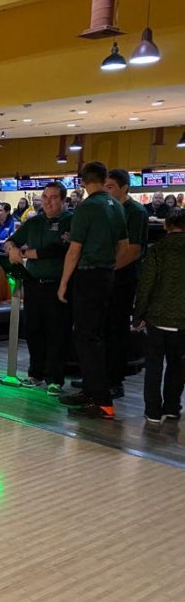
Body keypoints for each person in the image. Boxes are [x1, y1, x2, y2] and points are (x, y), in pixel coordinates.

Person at [57, 161, 128, 420]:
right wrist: (108, 266)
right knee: (94, 335)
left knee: (87, 339)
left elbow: (74, 250)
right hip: (107, 276)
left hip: (88, 277)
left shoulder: (86, 208)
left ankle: (102, 402)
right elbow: (124, 245)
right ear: (103, 178)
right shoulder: (116, 207)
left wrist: (64, 283)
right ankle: (89, 391)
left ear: (83, 181)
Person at [5, 181, 73, 395]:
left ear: (63, 200)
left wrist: (24, 254)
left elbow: (58, 250)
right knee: (34, 330)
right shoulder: (34, 222)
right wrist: (11, 249)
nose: (48, 201)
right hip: (33, 283)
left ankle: (55, 378)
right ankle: (36, 373)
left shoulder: (70, 221)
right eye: (45, 197)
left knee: (57, 332)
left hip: (58, 285)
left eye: (53, 197)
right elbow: (10, 241)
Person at [134, 208, 185, 428]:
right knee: (178, 366)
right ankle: (172, 408)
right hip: (183, 323)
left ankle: (153, 411)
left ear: (166, 226)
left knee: (154, 366)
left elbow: (146, 286)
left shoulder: (158, 250)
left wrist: (138, 316)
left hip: (157, 318)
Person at [103, 168, 149, 398]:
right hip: (104, 277)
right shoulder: (108, 209)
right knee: (101, 328)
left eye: (110, 186)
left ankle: (115, 379)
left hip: (123, 278)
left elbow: (132, 251)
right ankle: (98, 376)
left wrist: (107, 270)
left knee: (117, 328)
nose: (106, 191)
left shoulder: (136, 212)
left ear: (124, 188)